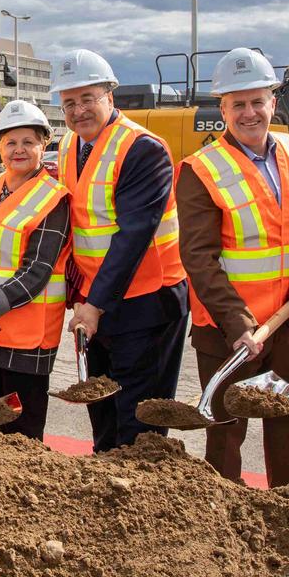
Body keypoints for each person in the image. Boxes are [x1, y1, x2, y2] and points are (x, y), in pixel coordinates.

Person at [176, 48, 289, 496]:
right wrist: (238, 323)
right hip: (227, 331)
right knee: (225, 437)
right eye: (237, 104)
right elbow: (199, 259)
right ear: (222, 110)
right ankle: (227, 527)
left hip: (288, 322)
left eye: (257, 101)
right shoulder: (201, 170)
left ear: (273, 102)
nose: (249, 112)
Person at [54, 48, 189, 453]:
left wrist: (94, 305)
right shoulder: (69, 146)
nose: (79, 111)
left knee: (138, 419)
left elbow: (133, 236)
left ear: (110, 96)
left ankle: (142, 500)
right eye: (69, 102)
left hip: (148, 301)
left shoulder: (142, 149)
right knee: (103, 408)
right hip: (99, 301)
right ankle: (106, 492)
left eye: (88, 98)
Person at [0, 100, 70, 440]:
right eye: (10, 142)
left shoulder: (53, 199)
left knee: (26, 429)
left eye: (28, 142)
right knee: (2, 420)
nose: (19, 150)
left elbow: (38, 270)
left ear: (43, 145)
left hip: (27, 333)